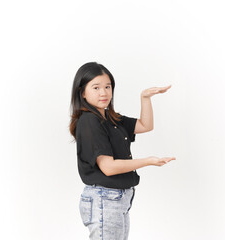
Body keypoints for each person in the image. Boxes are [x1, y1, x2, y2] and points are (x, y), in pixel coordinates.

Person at [69, 62, 175, 240]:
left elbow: (145, 125)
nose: (104, 92)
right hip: (105, 198)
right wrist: (148, 161)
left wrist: (145, 98)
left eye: (108, 87)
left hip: (117, 199)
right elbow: (108, 167)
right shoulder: (89, 121)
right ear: (83, 93)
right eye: (96, 87)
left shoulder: (110, 118)